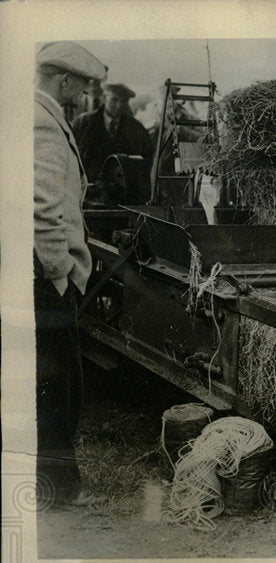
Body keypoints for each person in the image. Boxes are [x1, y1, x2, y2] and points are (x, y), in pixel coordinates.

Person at [34, 41, 107, 508]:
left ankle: (52, 486)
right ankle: (58, 492)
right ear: (64, 81)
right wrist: (61, 274)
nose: (84, 96)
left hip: (44, 276)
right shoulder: (42, 121)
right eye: (82, 86)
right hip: (46, 278)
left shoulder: (40, 114)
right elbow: (42, 210)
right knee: (57, 388)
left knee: (56, 383)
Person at [71, 81, 154, 190]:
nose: (119, 105)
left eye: (124, 101)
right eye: (114, 99)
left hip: (122, 195)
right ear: (104, 98)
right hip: (88, 194)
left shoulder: (136, 129)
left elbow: (147, 160)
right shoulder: (83, 123)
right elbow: (70, 155)